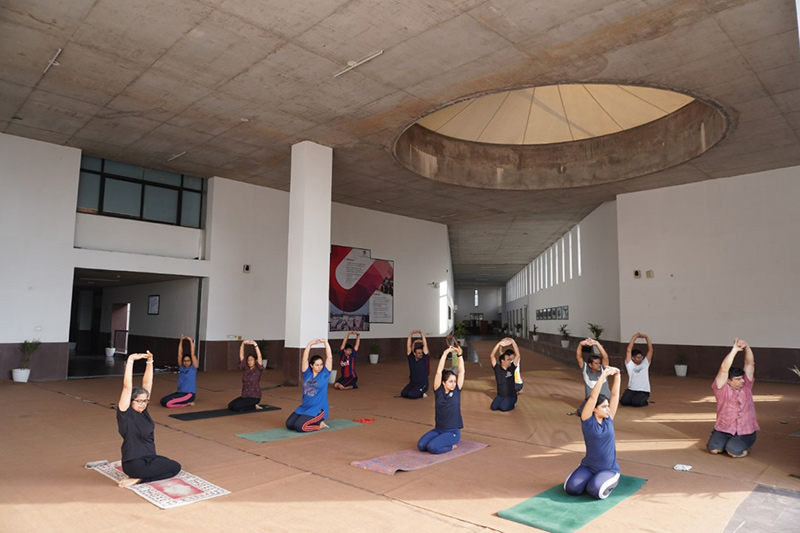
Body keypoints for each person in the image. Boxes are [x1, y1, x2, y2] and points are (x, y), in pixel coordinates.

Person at [116, 351, 181, 488]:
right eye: (139, 401)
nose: (142, 403)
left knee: (166, 461)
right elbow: (127, 386)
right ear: (130, 401)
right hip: (135, 464)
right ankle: (139, 479)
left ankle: (140, 475)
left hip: (147, 458)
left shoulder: (144, 411)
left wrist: (150, 361)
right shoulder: (125, 414)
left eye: (145, 401)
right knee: (175, 468)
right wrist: (130, 360)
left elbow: (147, 383)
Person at [564, 366, 622, 500]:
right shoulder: (587, 420)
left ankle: (611, 479)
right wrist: (604, 375)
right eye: (604, 407)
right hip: (588, 466)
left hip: (609, 469)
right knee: (571, 489)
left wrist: (617, 375)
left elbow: (615, 395)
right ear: (594, 409)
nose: (608, 409)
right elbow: (593, 397)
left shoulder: (609, 418)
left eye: (608, 406)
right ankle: (589, 477)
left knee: (595, 491)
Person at [707, 338, 759, 458]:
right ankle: (726, 441)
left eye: (742, 378)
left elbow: (750, 364)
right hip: (724, 429)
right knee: (714, 450)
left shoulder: (746, 385)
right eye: (738, 379)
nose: (742, 381)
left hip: (745, 431)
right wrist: (735, 350)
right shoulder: (721, 389)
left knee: (733, 452)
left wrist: (746, 347)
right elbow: (724, 369)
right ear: (728, 381)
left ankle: (743, 444)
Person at [417, 345, 465, 454]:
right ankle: (441, 441)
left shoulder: (457, 390)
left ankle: (451, 447)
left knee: (432, 448)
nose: (453, 384)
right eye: (450, 381)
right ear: (444, 382)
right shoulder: (438, 391)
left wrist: (459, 355)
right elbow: (439, 372)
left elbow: (461, 372)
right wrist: (445, 353)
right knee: (421, 445)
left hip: (452, 432)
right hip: (439, 430)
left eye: (454, 381)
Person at [286, 338, 333, 432]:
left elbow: (329, 358)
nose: (320, 367)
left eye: (321, 364)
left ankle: (320, 425)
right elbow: (304, 359)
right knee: (289, 424)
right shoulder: (307, 374)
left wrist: (325, 343)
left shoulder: (324, 374)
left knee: (300, 427)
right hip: (304, 407)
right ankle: (312, 421)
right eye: (317, 365)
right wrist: (309, 345)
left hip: (318, 409)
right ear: (311, 365)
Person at [160, 335, 198, 408]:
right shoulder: (181, 368)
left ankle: (187, 404)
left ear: (191, 362)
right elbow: (179, 354)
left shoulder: (193, 369)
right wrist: (181, 341)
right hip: (179, 393)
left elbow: (193, 354)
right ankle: (185, 402)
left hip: (189, 395)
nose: (186, 362)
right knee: (163, 401)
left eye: (188, 361)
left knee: (168, 404)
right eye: (184, 361)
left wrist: (190, 341)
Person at [228, 340, 265, 412]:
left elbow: (259, 356)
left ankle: (253, 406)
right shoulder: (246, 368)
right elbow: (241, 356)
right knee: (231, 406)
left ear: (255, 361)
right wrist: (243, 344)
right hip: (245, 395)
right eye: (248, 360)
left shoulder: (258, 369)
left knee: (237, 408)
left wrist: (255, 344)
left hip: (254, 397)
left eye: (251, 360)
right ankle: (251, 405)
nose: (249, 362)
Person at [621, 332, 653, 407]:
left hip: (643, 391)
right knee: (624, 402)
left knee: (636, 403)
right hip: (632, 390)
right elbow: (628, 350)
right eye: (638, 357)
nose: (640, 359)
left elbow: (650, 350)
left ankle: (645, 400)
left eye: (641, 357)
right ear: (633, 358)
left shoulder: (645, 363)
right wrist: (634, 337)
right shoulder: (630, 365)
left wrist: (646, 337)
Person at [489, 337, 520, 411]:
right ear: (502, 361)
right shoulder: (497, 368)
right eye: (508, 360)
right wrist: (499, 344)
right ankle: (503, 402)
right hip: (500, 396)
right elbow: (492, 356)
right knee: (494, 407)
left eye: (510, 360)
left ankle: (512, 404)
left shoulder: (512, 368)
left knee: (503, 408)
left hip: (511, 396)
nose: (510, 361)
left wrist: (513, 342)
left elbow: (518, 355)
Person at [401, 329, 430, 399]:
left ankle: (422, 393)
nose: (421, 354)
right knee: (403, 394)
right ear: (414, 354)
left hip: (423, 385)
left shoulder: (424, 359)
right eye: (419, 353)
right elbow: (408, 347)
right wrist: (411, 334)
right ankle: (416, 391)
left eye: (421, 353)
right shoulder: (411, 359)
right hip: (413, 384)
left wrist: (421, 333)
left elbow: (425, 345)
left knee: (411, 395)